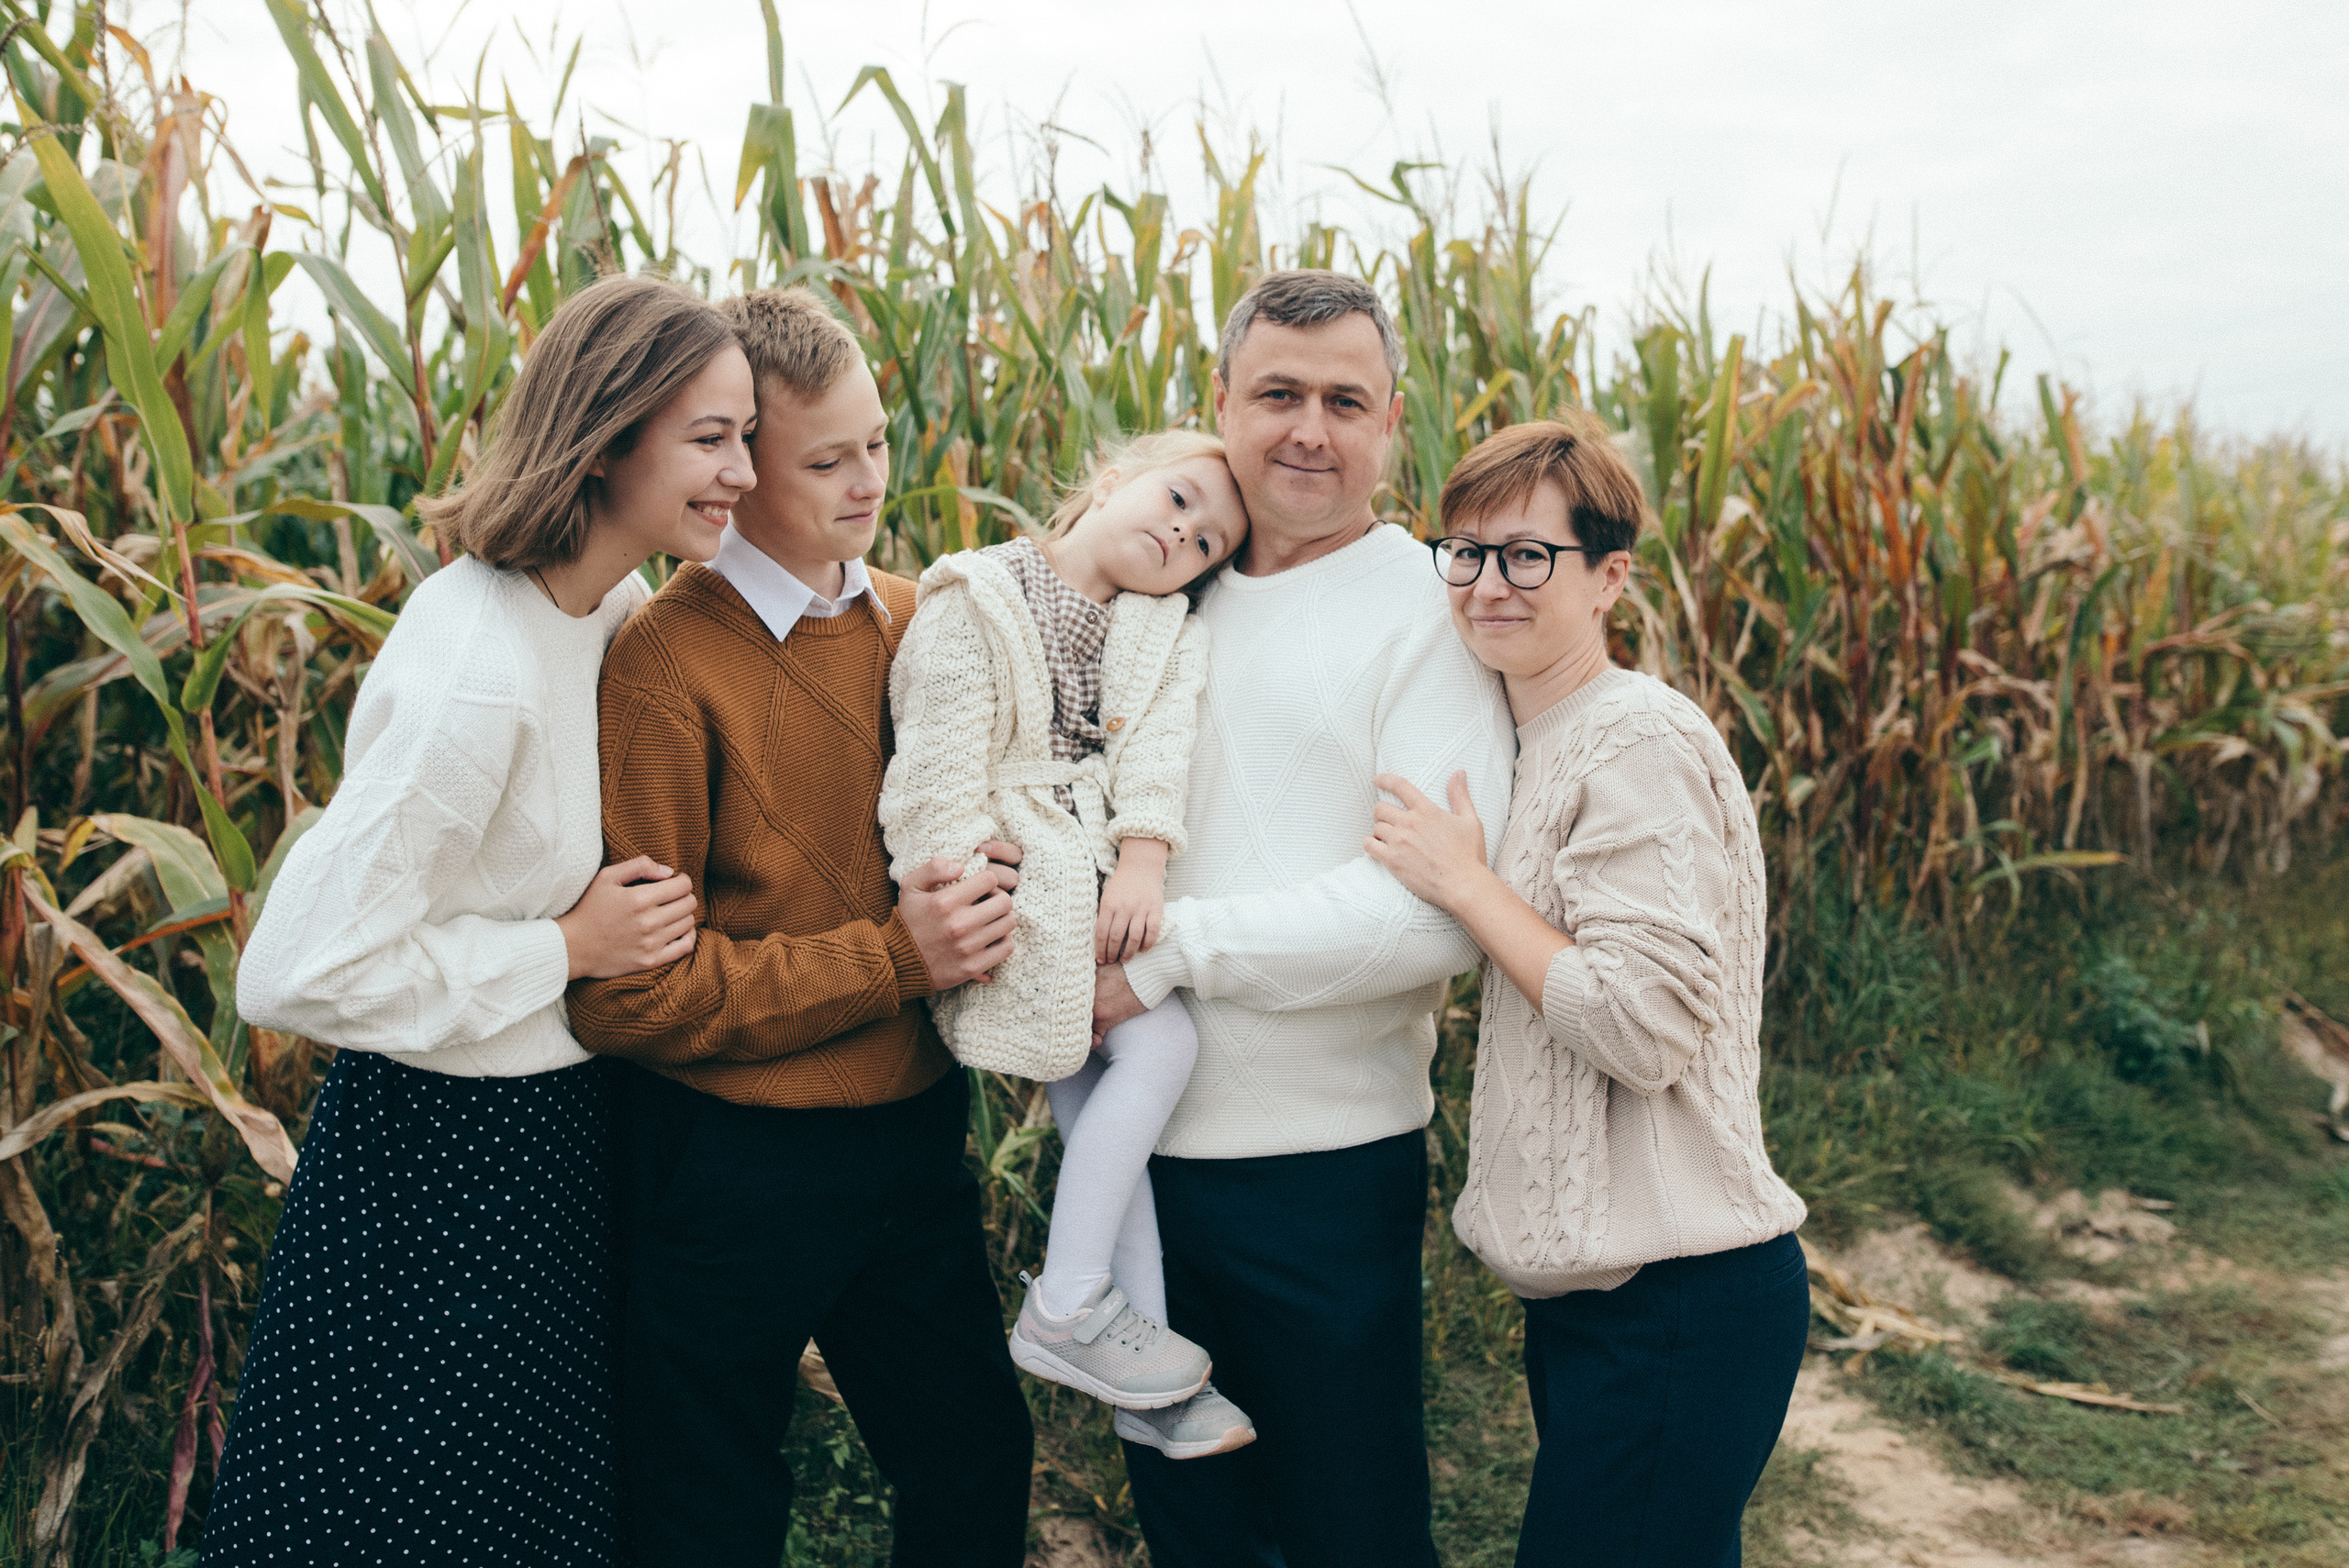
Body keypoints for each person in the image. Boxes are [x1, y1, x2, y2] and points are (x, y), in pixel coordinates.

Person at [206, 274, 744, 1566]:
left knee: (528, 1507)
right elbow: (290, 972)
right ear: (609, 439)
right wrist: (566, 948)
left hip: (554, 1125)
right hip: (446, 1158)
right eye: (711, 438)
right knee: (423, 1516)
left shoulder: (609, 602)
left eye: (746, 436)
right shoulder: (476, 676)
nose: (744, 469)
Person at [564, 285, 1032, 1568]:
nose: (869, 479)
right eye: (826, 460)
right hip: (728, 1166)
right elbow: (632, 996)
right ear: (732, 468)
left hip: (912, 1143)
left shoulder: (925, 619)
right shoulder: (666, 667)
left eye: (878, 442)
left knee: (976, 1458)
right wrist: (895, 955)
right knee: (709, 1506)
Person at [1088, 270, 1516, 1565]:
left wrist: (1165, 955)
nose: (1308, 431)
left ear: (1393, 421)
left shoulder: (1431, 611)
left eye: (1344, 399)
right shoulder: (1167, 589)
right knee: (1193, 1532)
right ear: (1221, 405)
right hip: (1136, 1170)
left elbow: (1428, 919)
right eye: (1277, 394)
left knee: (1350, 1532)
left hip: (1323, 1179)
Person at [1363, 415, 1811, 1567]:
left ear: (1610, 575)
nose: (1485, 583)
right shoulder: (1535, 734)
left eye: (1526, 553)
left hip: (1679, 1295)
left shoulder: (1633, 739)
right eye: (1462, 551)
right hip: (1607, 1291)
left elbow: (1643, 1021)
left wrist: (1466, 884)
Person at [878, 429, 1254, 1453]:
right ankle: (1067, 1306)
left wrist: (1143, 860)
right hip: (1008, 889)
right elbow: (936, 768)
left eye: (1206, 540)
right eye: (1177, 499)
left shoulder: (1160, 627)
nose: (1182, 532)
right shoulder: (975, 594)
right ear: (1113, 475)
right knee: (1160, 1045)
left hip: (1096, 882)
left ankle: (1146, 1385)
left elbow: (1157, 749)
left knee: (1105, 1126)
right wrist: (968, 891)